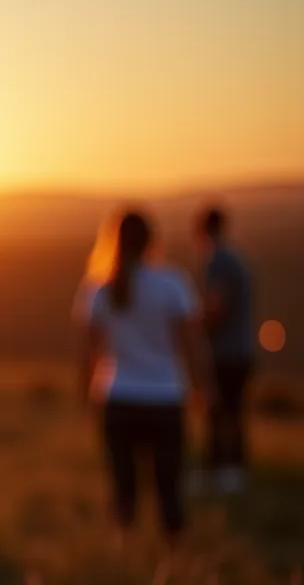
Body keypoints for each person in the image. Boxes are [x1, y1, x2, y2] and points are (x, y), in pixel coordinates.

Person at [77, 209, 206, 555]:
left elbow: (90, 353)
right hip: (165, 397)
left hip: (118, 396)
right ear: (152, 240)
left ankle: (124, 557)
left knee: (124, 486)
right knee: (169, 485)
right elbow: (189, 347)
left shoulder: (99, 289)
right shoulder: (173, 283)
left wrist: (88, 399)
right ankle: (177, 559)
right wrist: (198, 390)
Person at [194, 205, 256, 494]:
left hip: (224, 352)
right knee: (235, 410)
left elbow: (215, 307)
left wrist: (195, 330)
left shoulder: (217, 262)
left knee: (221, 411)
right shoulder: (238, 259)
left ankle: (224, 471)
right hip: (242, 348)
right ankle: (234, 469)